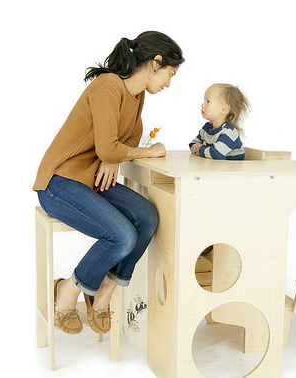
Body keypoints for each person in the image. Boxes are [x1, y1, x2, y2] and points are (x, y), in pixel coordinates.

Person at [33, 31, 184, 335]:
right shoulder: (107, 86)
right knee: (122, 236)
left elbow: (121, 142)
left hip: (92, 180)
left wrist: (113, 156)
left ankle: (103, 292)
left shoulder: (137, 96)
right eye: (170, 73)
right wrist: (138, 151)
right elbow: (111, 147)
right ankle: (67, 290)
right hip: (59, 183)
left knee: (148, 217)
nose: (169, 83)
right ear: (155, 63)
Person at [189, 83, 249, 160]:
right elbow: (192, 144)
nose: (202, 105)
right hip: (215, 169)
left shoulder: (229, 132)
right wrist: (204, 150)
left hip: (231, 171)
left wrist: (201, 149)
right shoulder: (207, 128)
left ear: (224, 110)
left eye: (208, 101)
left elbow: (217, 154)